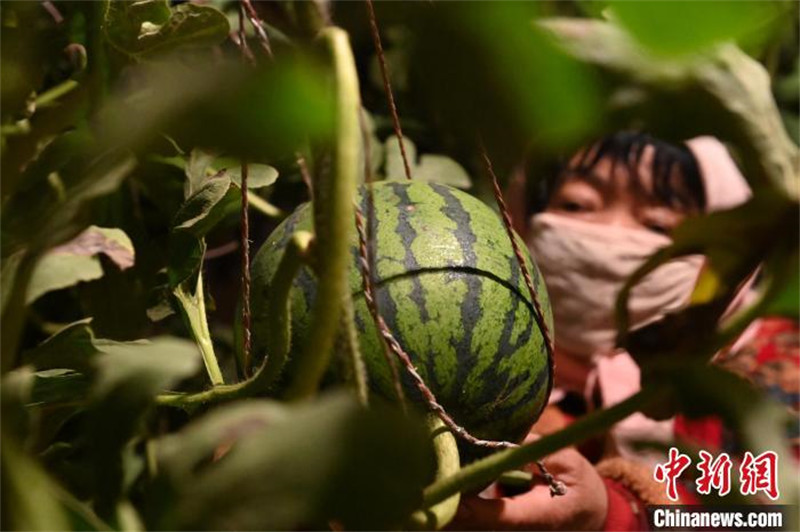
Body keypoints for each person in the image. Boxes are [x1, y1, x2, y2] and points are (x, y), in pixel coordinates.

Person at [450, 132, 797, 530]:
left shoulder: (778, 367)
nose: (609, 234)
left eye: (658, 223)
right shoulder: (475, 362)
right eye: (577, 204)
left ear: (726, 253)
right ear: (523, 220)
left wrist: (615, 514)